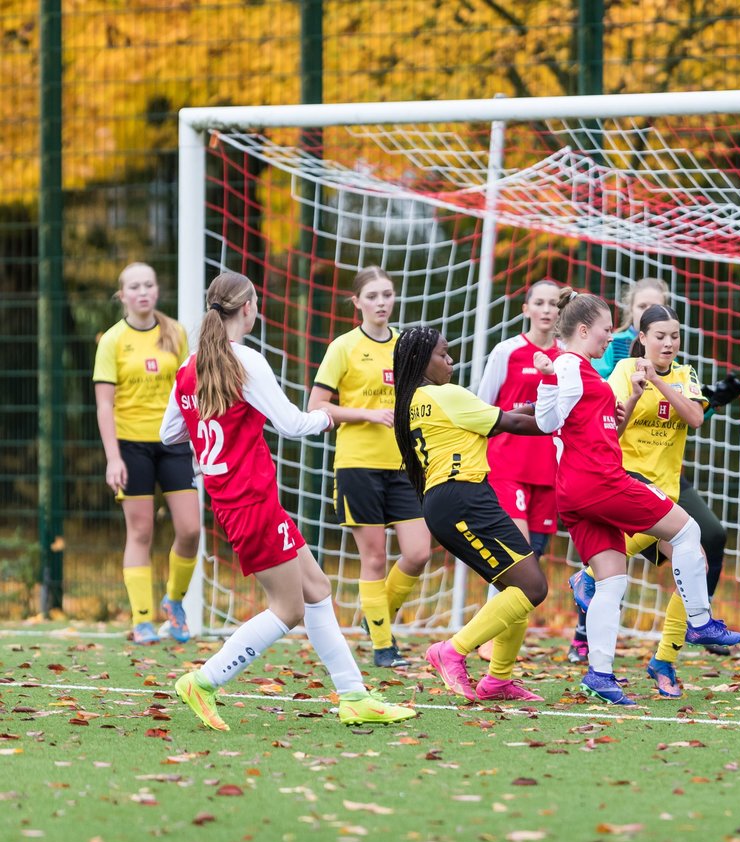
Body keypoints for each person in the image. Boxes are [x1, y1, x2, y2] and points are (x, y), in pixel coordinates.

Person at [161, 272, 417, 731]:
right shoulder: (246, 362)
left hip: (240, 500)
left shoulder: (190, 366)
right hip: (251, 502)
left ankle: (354, 695)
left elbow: (169, 433)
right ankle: (204, 681)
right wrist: (328, 418)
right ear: (248, 309)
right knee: (289, 608)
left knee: (318, 591)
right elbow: (292, 424)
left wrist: (203, 441)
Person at [534, 288, 740, 706]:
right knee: (689, 534)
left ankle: (602, 672)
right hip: (611, 481)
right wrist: (555, 374)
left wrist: (548, 378)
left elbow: (551, 421)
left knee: (617, 578)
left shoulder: (584, 370)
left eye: (675, 336)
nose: (610, 338)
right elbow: (577, 420)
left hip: (591, 488)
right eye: (606, 331)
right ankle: (700, 622)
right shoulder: (587, 368)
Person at [392, 326, 550, 702]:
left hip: (456, 498)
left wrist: (543, 404)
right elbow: (514, 423)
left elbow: (500, 417)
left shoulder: (413, 400)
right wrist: (572, 416)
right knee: (532, 587)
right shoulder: (445, 394)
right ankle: (451, 650)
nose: (451, 361)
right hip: (463, 499)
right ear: (421, 360)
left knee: (519, 587)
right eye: (444, 354)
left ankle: (498, 680)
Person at [308, 266, 433, 669]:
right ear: (357, 302)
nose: (382, 302)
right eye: (374, 296)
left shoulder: (406, 346)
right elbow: (316, 406)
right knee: (374, 558)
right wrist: (365, 414)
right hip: (357, 464)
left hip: (403, 464)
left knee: (418, 552)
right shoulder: (342, 347)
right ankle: (383, 646)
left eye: (388, 294)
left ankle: (375, 616)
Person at [93, 262, 200, 644]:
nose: (143, 291)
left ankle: (174, 602)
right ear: (122, 295)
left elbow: (191, 393)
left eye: (149, 284)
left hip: (173, 444)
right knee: (140, 531)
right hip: (130, 446)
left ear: (157, 290)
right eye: (134, 286)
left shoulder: (175, 332)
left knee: (190, 528)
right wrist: (113, 458)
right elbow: (105, 405)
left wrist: (199, 443)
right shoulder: (112, 341)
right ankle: (142, 621)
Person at [609, 304, 711, 699]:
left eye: (674, 336)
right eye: (660, 336)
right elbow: (614, 425)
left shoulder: (686, 375)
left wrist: (661, 382)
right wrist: (638, 389)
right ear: (642, 338)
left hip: (667, 489)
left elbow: (696, 419)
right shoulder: (623, 371)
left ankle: (663, 660)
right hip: (628, 479)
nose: (668, 343)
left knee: (696, 564)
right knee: (611, 576)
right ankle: (595, 661)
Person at [473, 279, 561, 662]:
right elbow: (480, 406)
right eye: (538, 302)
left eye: (553, 304)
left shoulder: (569, 357)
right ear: (525, 309)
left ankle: (500, 644)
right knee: (516, 556)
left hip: (550, 470)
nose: (546, 310)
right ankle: (485, 640)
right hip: (506, 466)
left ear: (561, 312)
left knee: (532, 563)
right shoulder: (506, 351)